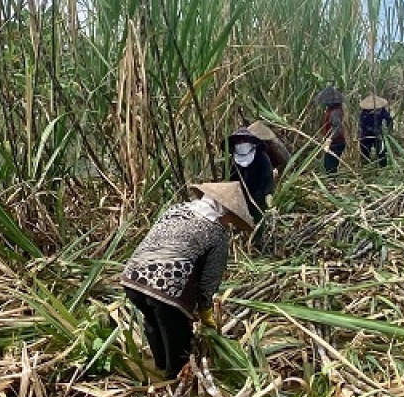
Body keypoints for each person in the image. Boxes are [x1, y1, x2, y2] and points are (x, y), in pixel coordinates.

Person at [121, 182, 254, 380]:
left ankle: (158, 369)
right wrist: (205, 310)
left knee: (154, 320)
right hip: (166, 288)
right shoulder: (217, 232)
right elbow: (209, 280)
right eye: (230, 217)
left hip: (133, 279)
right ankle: (173, 383)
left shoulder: (175, 210)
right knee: (178, 339)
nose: (229, 222)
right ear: (223, 211)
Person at [226, 120, 290, 222]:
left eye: (244, 140)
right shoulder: (233, 160)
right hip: (240, 201)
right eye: (238, 141)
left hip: (259, 200)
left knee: (258, 223)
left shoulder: (262, 157)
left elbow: (267, 183)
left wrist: (270, 206)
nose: (241, 144)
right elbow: (230, 181)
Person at [316, 85, 346, 176]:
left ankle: (332, 183)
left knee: (330, 165)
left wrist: (330, 139)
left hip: (336, 142)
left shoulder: (334, 113)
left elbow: (337, 128)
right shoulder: (334, 110)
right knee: (330, 164)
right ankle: (332, 181)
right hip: (335, 141)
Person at [358, 95, 393, 165]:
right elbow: (362, 124)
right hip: (367, 135)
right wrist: (371, 129)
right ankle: (366, 165)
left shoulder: (382, 110)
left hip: (379, 134)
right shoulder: (365, 112)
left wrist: (388, 130)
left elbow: (389, 120)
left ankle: (383, 165)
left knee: (381, 151)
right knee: (365, 150)